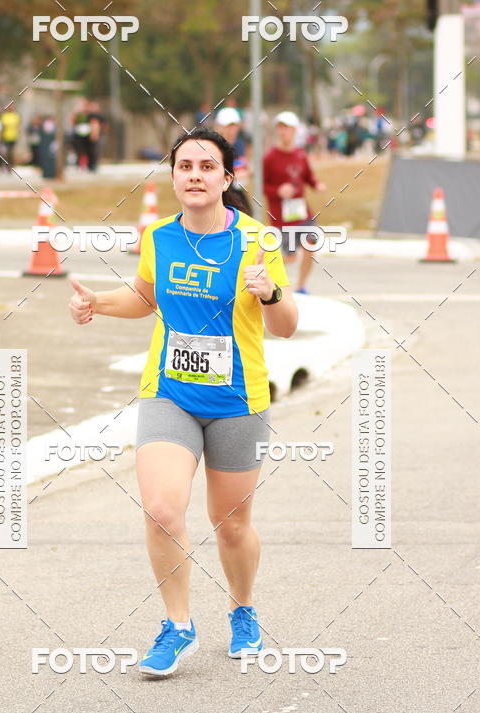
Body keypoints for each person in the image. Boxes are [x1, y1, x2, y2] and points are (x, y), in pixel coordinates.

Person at [69, 127, 298, 676]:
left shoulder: (256, 241)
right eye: (184, 166)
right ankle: (178, 626)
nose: (194, 175)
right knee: (162, 508)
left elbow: (287, 327)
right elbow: (146, 297)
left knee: (232, 523)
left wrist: (270, 294)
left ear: (225, 177)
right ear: (173, 175)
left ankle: (243, 610)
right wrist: (97, 302)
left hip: (238, 398)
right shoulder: (157, 237)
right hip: (168, 394)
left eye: (206, 166)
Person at [263, 111, 326, 294]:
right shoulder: (270, 157)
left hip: (302, 212)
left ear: (295, 130)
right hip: (281, 216)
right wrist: (278, 191)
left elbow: (308, 176)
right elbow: (262, 185)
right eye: (280, 128)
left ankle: (301, 286)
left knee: (311, 245)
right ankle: (268, 278)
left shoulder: (300, 154)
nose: (284, 132)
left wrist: (317, 185)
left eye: (287, 128)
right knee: (288, 257)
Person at [0, 102, 21, 171]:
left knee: (11, 153)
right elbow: (2, 127)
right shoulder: (4, 116)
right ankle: (6, 165)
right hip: (5, 137)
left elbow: (18, 126)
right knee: (5, 152)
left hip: (13, 136)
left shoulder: (16, 116)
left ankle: (11, 166)